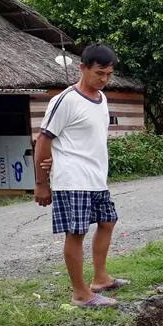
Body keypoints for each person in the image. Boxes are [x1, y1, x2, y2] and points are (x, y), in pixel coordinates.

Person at [34, 44, 128, 308]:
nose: (105, 79)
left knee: (108, 221)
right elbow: (43, 140)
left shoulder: (102, 98)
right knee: (75, 234)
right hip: (72, 179)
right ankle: (81, 294)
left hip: (96, 178)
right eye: (100, 73)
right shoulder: (65, 100)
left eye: (109, 74)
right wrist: (42, 184)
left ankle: (100, 278)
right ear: (83, 68)